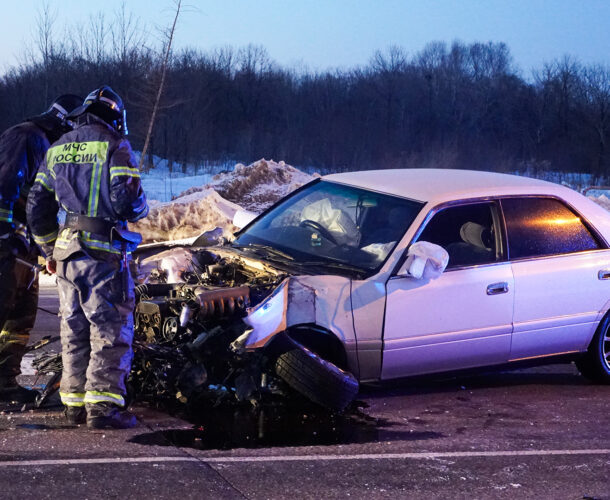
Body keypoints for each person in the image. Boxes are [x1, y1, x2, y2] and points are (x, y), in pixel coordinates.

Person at [27, 86, 148, 429]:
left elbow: (37, 207)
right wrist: (142, 205)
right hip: (103, 253)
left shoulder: (57, 148)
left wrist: (49, 249)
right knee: (109, 328)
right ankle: (103, 408)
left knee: (74, 327)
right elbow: (127, 202)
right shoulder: (115, 144)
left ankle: (73, 404)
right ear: (115, 115)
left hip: (66, 254)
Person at [0, 94, 82, 403]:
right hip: (6, 246)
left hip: (22, 250)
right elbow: (4, 186)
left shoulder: (49, 148)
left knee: (19, 319)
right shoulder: (26, 137)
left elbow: (39, 207)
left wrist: (47, 250)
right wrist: (4, 236)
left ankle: (4, 381)